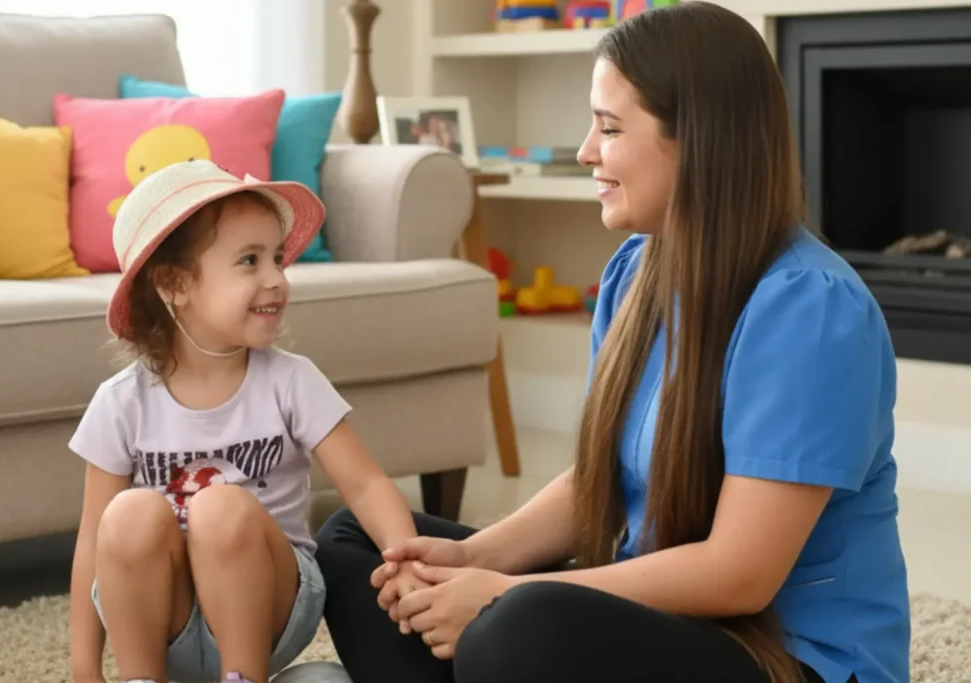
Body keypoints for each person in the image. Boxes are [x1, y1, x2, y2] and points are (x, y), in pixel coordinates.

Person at [313, 3, 911, 683]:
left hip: (786, 654)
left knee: (515, 627)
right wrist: (476, 559)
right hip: (667, 615)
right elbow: (600, 480)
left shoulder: (811, 308)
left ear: (700, 141)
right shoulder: (635, 271)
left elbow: (739, 574)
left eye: (610, 127)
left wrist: (504, 594)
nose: (585, 150)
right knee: (359, 545)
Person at [68, 160, 425, 683]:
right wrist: (84, 669)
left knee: (220, 507)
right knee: (125, 515)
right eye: (249, 261)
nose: (276, 278)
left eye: (277, 259)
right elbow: (91, 542)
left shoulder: (291, 381)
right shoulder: (121, 401)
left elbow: (365, 484)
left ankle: (243, 677)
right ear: (173, 284)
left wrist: (406, 562)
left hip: (269, 607)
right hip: (166, 616)